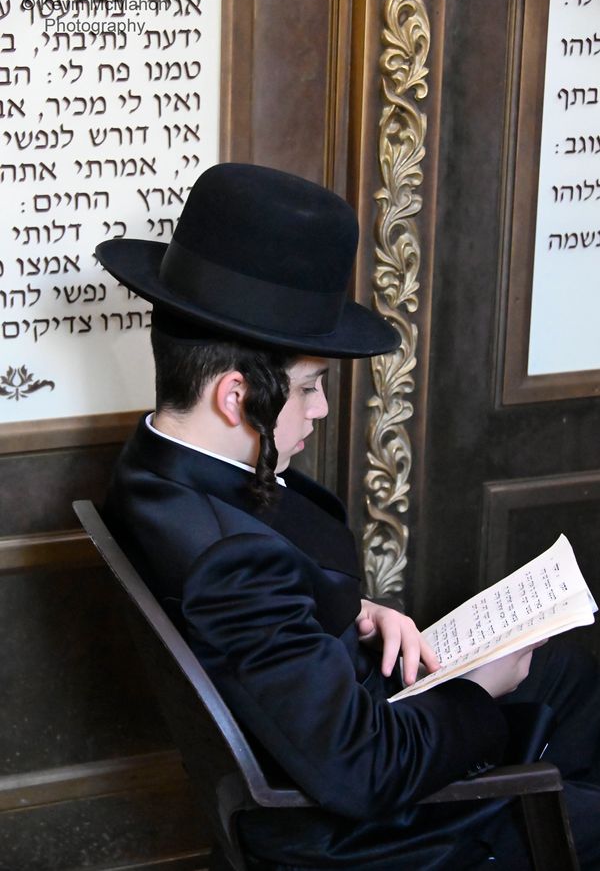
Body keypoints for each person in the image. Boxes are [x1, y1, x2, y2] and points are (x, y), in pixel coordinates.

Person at [97, 163, 600, 869]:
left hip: (335, 722)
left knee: (568, 676)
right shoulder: (227, 562)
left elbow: (261, 603)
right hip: (367, 837)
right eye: (309, 388)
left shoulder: (154, 465)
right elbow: (364, 771)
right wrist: (476, 692)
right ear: (236, 397)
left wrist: (355, 607)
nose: (321, 410)